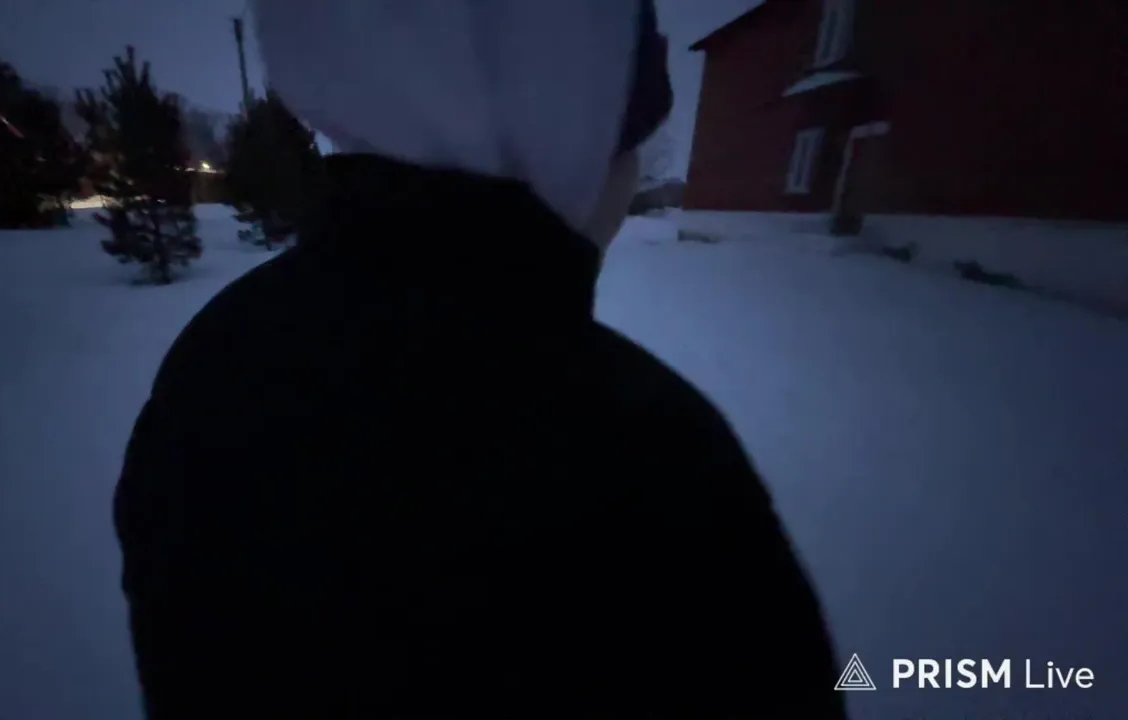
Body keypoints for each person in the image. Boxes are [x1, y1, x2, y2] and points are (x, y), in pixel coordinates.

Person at [113, 0, 847, 716]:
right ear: (567, 136)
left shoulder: (218, 357)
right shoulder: (646, 456)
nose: (627, 186)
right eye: (624, 143)